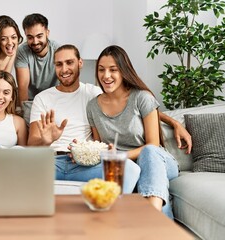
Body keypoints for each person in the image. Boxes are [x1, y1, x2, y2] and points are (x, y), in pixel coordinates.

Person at [27, 44, 140, 193]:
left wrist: (173, 122)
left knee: (130, 168)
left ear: (80, 63)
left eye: (69, 62)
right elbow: (31, 145)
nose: (64, 69)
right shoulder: (42, 98)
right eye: (59, 64)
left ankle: (113, 212)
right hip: (51, 162)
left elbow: (130, 106)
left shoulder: (94, 93)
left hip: (84, 165)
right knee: (15, 163)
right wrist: (46, 140)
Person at [86, 45, 180, 218]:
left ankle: (151, 217)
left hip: (158, 161)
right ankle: (161, 225)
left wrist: (121, 156)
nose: (106, 76)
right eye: (101, 70)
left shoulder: (142, 98)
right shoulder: (92, 106)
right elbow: (100, 146)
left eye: (113, 69)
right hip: (126, 167)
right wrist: (85, 149)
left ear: (123, 71)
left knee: (150, 152)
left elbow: (153, 144)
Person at [15, 13, 61, 124]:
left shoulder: (58, 50)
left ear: (47, 33)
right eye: (30, 37)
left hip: (53, 101)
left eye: (39, 36)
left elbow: (64, 82)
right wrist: (25, 116)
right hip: (31, 101)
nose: (35, 42)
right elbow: (23, 87)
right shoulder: (22, 51)